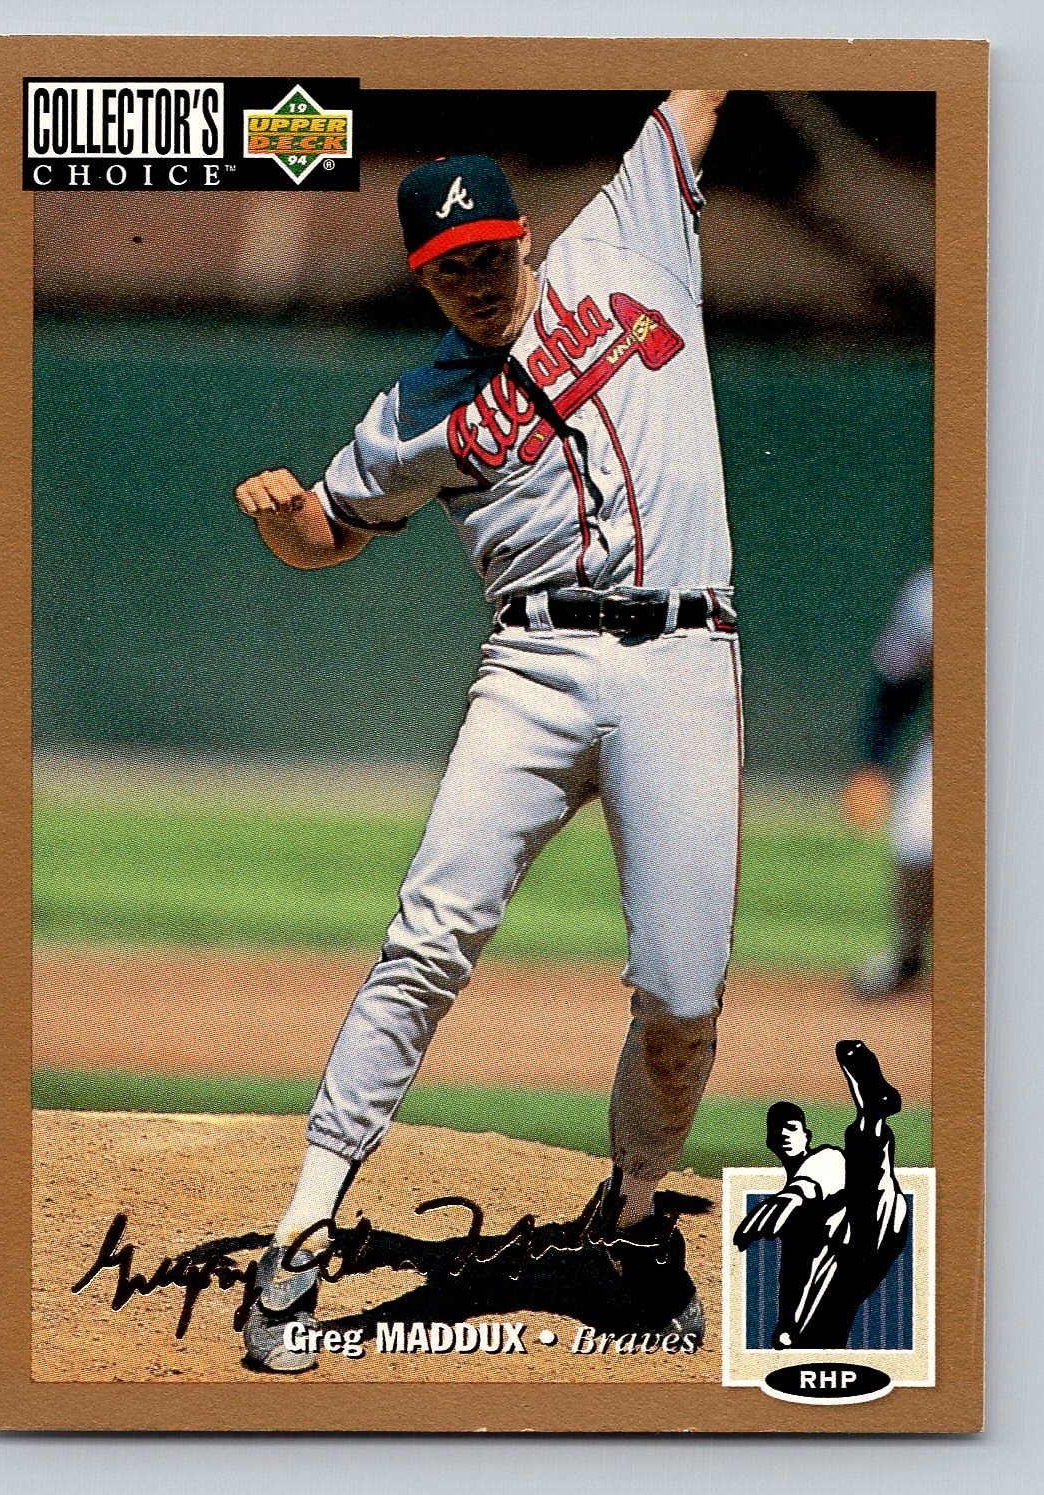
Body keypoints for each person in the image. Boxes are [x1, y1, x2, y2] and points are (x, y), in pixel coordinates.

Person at [233, 90, 739, 1372]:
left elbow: (703, 81)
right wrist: (286, 526)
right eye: (445, 266)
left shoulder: (629, 237)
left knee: (683, 994)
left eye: (488, 252)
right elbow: (331, 533)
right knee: (429, 936)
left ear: (525, 237)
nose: (473, 278)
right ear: (423, 278)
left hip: (685, 660)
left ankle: (630, 1218)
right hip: (535, 665)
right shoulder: (411, 414)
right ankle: (301, 1231)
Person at [733, 1040, 909, 1350]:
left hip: (870, 1221)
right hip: (846, 1257)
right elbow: (795, 1274)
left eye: (792, 1127)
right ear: (770, 1142)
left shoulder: (824, 1158)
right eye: (777, 1130)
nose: (784, 1134)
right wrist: (788, 1323)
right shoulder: (793, 1218)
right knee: (814, 1333)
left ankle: (872, 1118)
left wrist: (796, 1195)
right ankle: (871, 1117)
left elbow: (825, 1173)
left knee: (868, 1187)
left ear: (807, 1136)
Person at [841, 567, 932, 997]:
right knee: (916, 840)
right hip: (963, 738)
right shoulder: (933, 593)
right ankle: (907, 957)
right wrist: (872, 763)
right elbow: (898, 685)